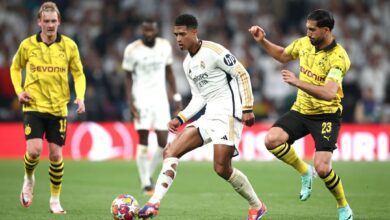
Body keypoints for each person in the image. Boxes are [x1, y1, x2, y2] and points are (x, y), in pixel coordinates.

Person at [138, 14, 267, 220]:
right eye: (175, 34)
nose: (178, 38)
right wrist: (180, 118)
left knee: (221, 168)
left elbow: (242, 73)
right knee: (171, 151)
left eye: (182, 34)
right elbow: (199, 97)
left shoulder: (214, 51)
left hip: (229, 116)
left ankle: (257, 205)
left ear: (194, 32)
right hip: (209, 116)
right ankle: (153, 203)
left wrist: (247, 107)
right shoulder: (187, 64)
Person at [249, 9, 353, 220]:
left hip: (326, 115)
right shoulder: (305, 44)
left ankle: (344, 207)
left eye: (313, 30)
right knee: (271, 140)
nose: (308, 33)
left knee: (323, 169)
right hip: (301, 110)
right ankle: (305, 172)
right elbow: (282, 55)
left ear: (326, 30)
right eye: (307, 28)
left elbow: (329, 93)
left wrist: (297, 81)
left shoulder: (338, 57)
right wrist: (263, 41)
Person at [10, 1, 86, 214]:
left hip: (58, 108)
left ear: (59, 21)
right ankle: (29, 178)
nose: (50, 25)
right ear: (39, 22)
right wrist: (19, 91)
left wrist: (80, 97)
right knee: (34, 151)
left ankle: (54, 200)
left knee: (55, 156)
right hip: (33, 105)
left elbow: (78, 73)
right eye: (46, 21)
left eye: (54, 21)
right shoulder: (27, 45)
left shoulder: (69, 45)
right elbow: (15, 68)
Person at [122, 18, 182, 195]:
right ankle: (145, 182)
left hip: (161, 100)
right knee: (143, 141)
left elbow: (169, 72)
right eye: (145, 31)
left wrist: (176, 97)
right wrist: (130, 101)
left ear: (157, 30)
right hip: (141, 99)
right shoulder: (132, 50)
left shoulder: (164, 46)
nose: (148, 34)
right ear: (141, 31)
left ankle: (147, 175)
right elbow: (126, 76)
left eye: (151, 30)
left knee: (164, 143)